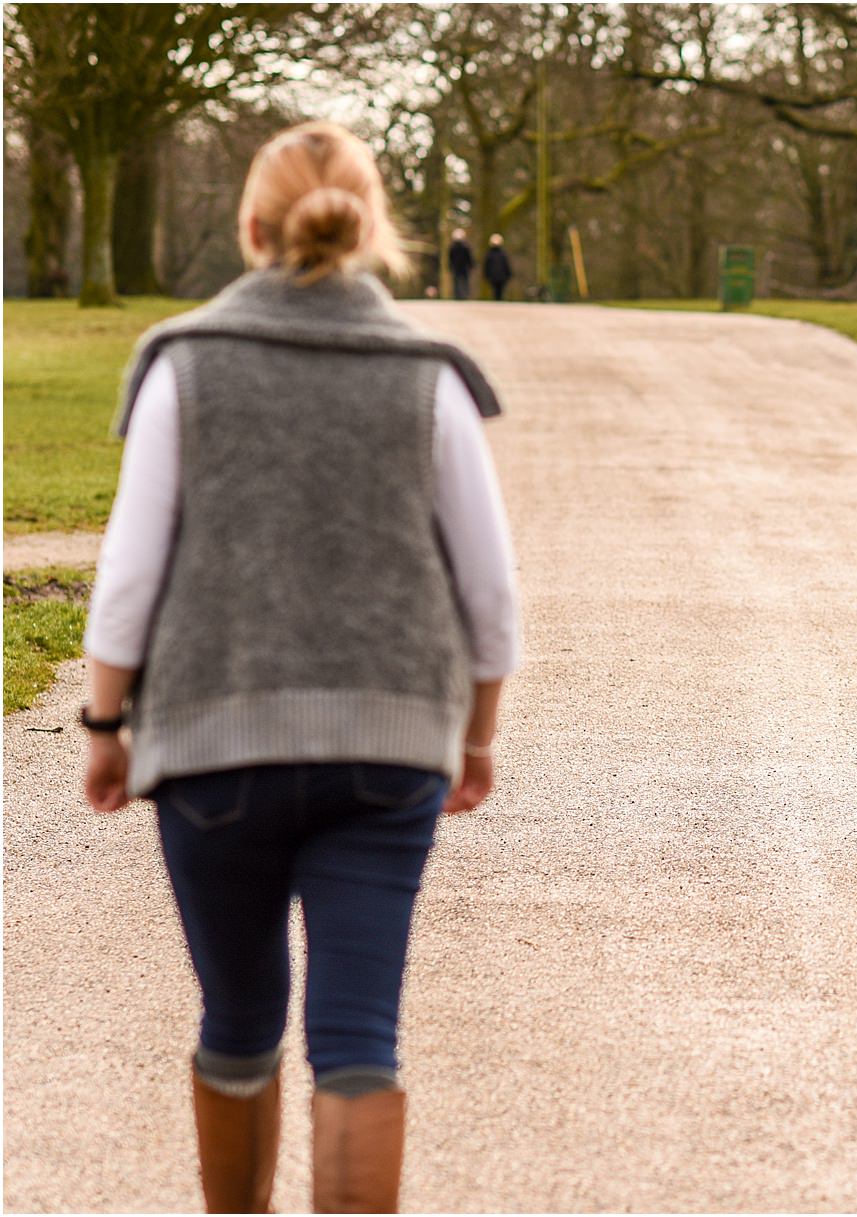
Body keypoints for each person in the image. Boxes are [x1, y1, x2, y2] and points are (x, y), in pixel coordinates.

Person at [81, 120, 520, 1211]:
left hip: (212, 746)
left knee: (236, 1023)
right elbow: (491, 592)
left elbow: (130, 575)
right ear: (377, 230)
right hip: (388, 748)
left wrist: (105, 726)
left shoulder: (184, 363)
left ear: (249, 226)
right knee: (358, 1034)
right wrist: (472, 736)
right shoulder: (433, 379)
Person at [483, 232, 512, 301]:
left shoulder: (490, 254)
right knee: (498, 289)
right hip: (499, 275)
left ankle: (497, 299)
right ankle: (498, 299)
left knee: (497, 289)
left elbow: (487, 265)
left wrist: (486, 274)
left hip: (496, 275)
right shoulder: (502, 254)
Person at [448, 227, 475, 300]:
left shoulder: (453, 247)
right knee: (464, 281)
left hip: (458, 267)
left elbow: (450, 259)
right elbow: (469, 257)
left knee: (457, 281)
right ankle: (464, 295)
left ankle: (458, 295)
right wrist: (471, 265)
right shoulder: (465, 246)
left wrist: (450, 266)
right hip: (463, 267)